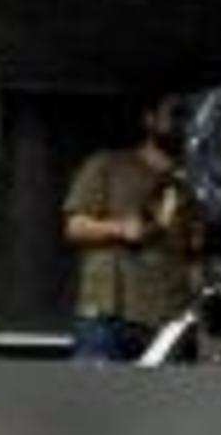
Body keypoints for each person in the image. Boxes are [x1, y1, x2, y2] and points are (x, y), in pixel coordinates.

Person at [62, 96, 195, 360]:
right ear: (150, 119)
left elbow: (195, 246)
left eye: (188, 117)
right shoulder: (107, 164)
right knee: (97, 396)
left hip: (168, 317)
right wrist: (121, 229)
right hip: (108, 312)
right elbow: (74, 227)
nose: (181, 125)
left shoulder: (192, 181)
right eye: (175, 115)